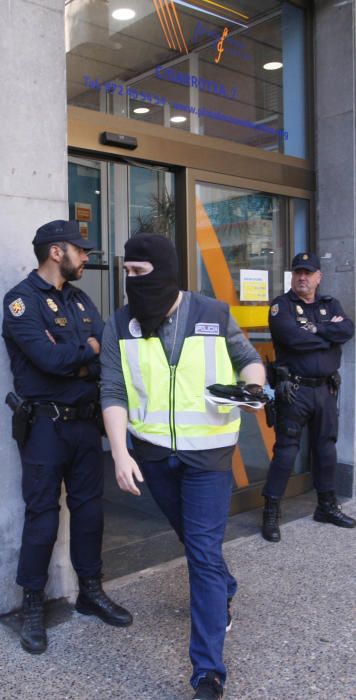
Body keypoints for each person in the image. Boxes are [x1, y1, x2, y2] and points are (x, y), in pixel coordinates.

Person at [100, 234, 265, 700]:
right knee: (193, 541)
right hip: (153, 455)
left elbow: (248, 361)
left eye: (139, 273)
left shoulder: (212, 313)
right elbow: (112, 389)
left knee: (202, 553)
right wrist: (120, 451)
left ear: (166, 270)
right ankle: (226, 585)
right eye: (126, 273)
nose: (131, 282)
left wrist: (252, 388)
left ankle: (207, 674)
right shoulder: (120, 324)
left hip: (209, 456)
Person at [2, 219, 132, 655]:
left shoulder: (79, 299)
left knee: (90, 512)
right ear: (57, 252)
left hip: (83, 423)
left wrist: (82, 356)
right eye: (81, 251)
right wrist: (84, 353)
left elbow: (104, 352)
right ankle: (32, 606)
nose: (86, 257)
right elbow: (46, 359)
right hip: (43, 428)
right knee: (42, 516)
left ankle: (90, 592)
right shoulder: (21, 302)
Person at [261, 252, 355, 542]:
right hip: (295, 390)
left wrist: (315, 329)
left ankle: (326, 506)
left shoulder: (330, 304)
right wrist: (328, 335)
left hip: (325, 390)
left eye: (308, 272)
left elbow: (348, 329)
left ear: (318, 277)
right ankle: (271, 512)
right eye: (298, 272)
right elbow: (293, 339)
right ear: (292, 276)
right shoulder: (282, 306)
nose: (303, 277)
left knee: (326, 448)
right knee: (286, 451)